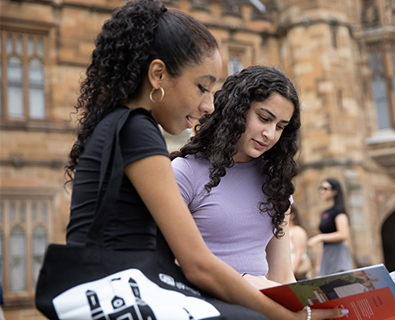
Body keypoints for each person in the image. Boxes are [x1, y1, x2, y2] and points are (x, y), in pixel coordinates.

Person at [63, 1, 345, 319]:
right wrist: (291, 317)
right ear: (157, 74)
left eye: (280, 127)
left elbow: (279, 277)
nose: (209, 104)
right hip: (119, 294)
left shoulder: (122, 125)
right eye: (202, 87)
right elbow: (195, 265)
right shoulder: (138, 131)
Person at [170, 65, 305, 290]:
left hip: (262, 308)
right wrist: (243, 281)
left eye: (280, 127)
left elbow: (282, 277)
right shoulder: (185, 172)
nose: (270, 134)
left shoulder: (276, 182)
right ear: (237, 110)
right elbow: (172, 263)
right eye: (264, 118)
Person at [307, 178, 353, 276]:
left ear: (334, 191)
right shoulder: (324, 213)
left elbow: (344, 234)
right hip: (326, 253)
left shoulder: (339, 211)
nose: (322, 191)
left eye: (325, 188)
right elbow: (323, 243)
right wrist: (318, 266)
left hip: (338, 254)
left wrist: (319, 237)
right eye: (320, 188)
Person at [289, 205, 311, 280]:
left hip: (297, 274)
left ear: (292, 215)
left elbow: (299, 254)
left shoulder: (297, 231)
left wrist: (290, 274)